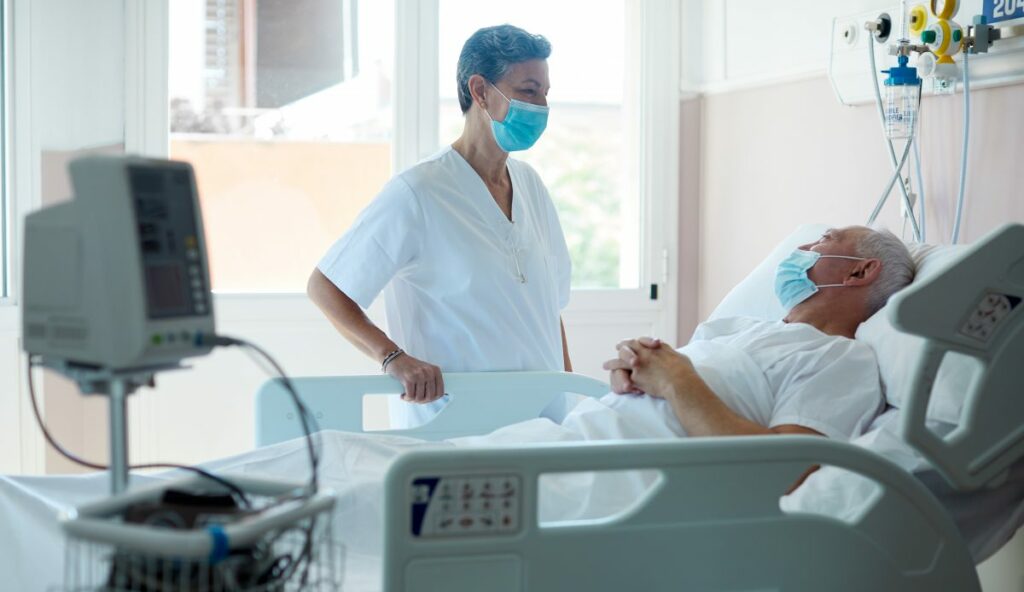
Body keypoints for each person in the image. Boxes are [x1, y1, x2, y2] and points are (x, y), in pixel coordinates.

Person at [308, 24, 572, 428]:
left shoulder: (531, 186)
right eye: (529, 91)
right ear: (481, 91)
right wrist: (392, 358)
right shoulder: (418, 192)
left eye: (545, 94)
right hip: (452, 426)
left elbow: (548, 310)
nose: (541, 106)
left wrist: (571, 398)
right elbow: (325, 287)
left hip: (542, 424)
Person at [551, 226, 915, 445]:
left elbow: (786, 470)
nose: (802, 249)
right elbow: (669, 386)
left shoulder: (842, 360)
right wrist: (637, 372)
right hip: (573, 438)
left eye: (824, 239)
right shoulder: (737, 327)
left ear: (861, 272)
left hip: (611, 477)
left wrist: (677, 380)